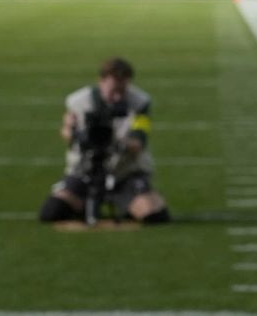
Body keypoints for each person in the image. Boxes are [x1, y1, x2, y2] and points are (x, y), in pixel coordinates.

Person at [39, 57, 170, 225]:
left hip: (124, 172)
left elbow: (138, 142)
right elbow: (66, 130)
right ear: (101, 81)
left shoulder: (140, 103)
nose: (117, 97)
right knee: (52, 211)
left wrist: (115, 144)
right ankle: (85, 202)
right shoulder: (78, 102)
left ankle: (129, 202)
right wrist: (80, 136)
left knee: (155, 216)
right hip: (86, 171)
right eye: (113, 90)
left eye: (122, 91)